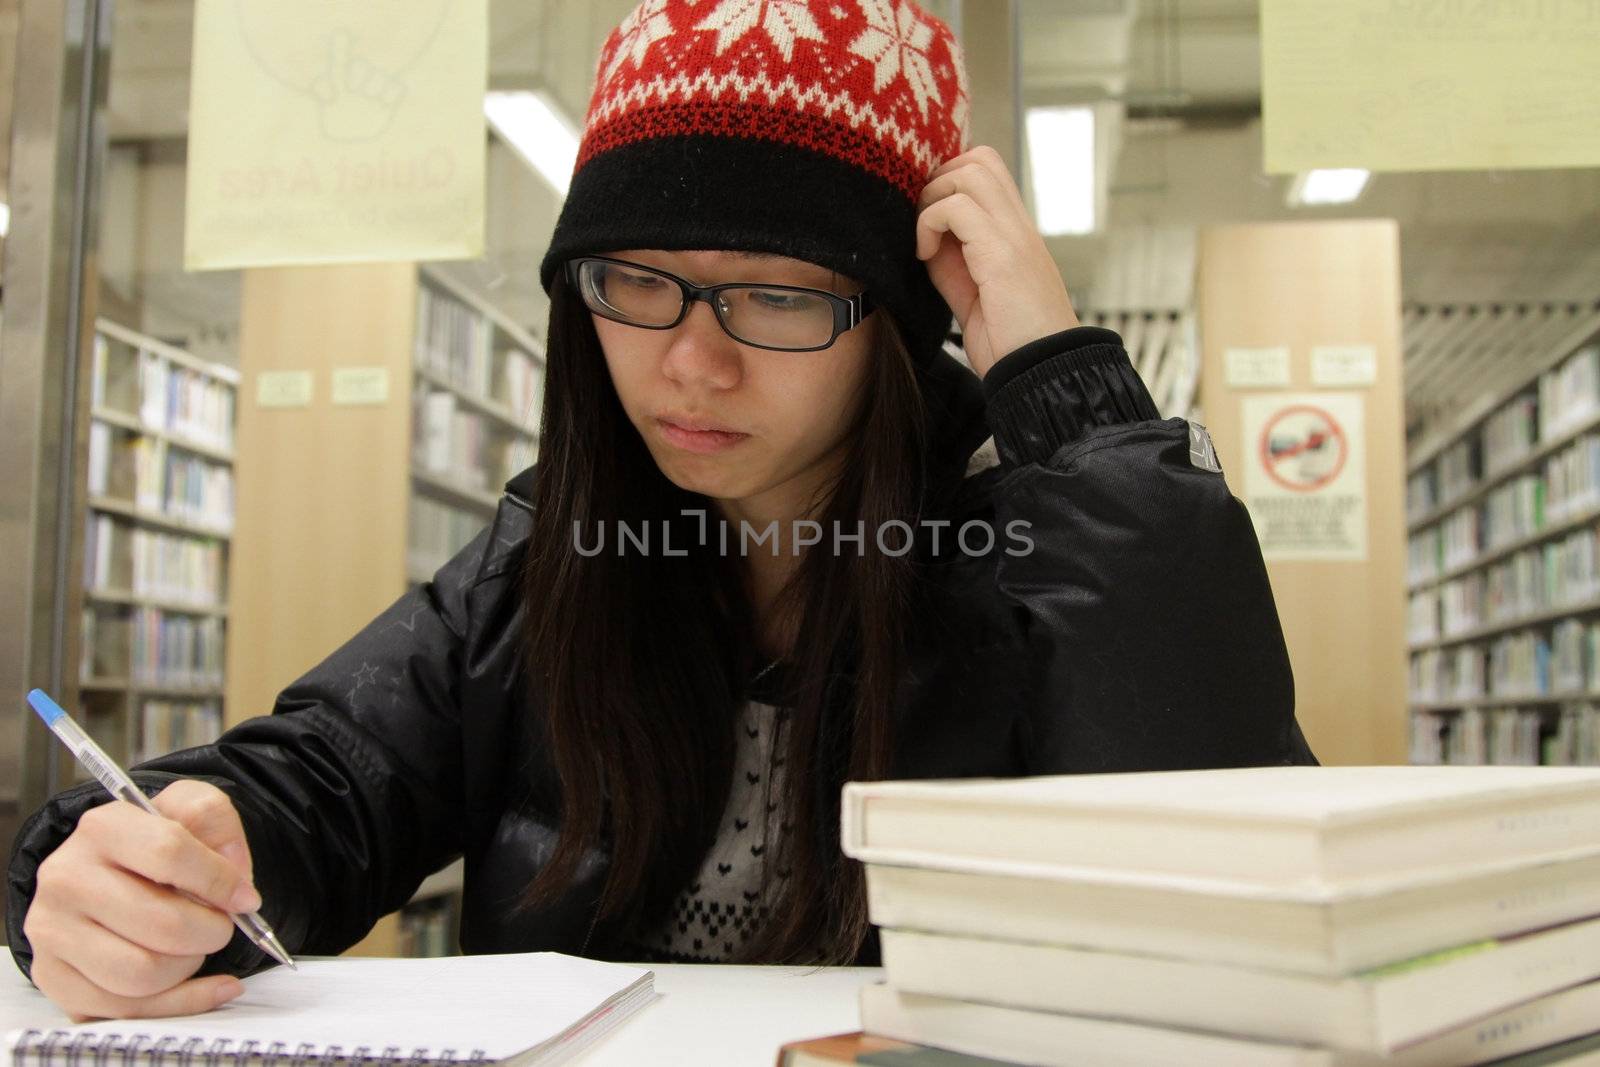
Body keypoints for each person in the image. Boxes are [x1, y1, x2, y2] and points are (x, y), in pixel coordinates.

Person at [7, 0, 1317, 1023]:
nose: (693, 364)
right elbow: (316, 781)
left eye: (782, 296)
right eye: (637, 282)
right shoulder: (545, 565)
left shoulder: (1024, 556)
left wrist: (1062, 380)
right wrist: (131, 868)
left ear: (896, 333)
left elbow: (1234, 847)